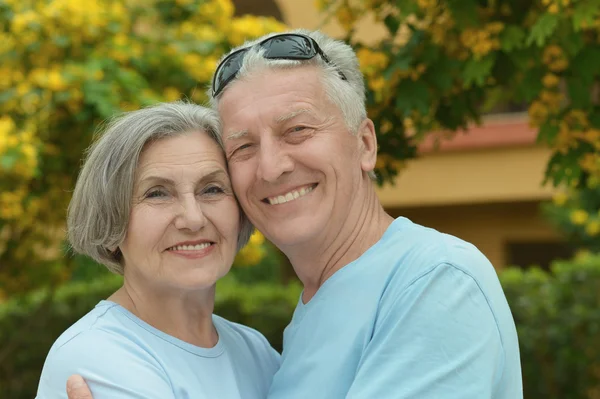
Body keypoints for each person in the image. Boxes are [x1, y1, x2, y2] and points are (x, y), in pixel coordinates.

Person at [67, 29, 523, 398]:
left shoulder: (435, 282)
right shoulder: (294, 327)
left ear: (365, 144)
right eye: (243, 146)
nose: (272, 167)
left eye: (298, 130)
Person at [37, 102, 280, 398]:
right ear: (111, 223)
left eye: (212, 189)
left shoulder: (254, 350)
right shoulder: (95, 355)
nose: (193, 219)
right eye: (157, 193)